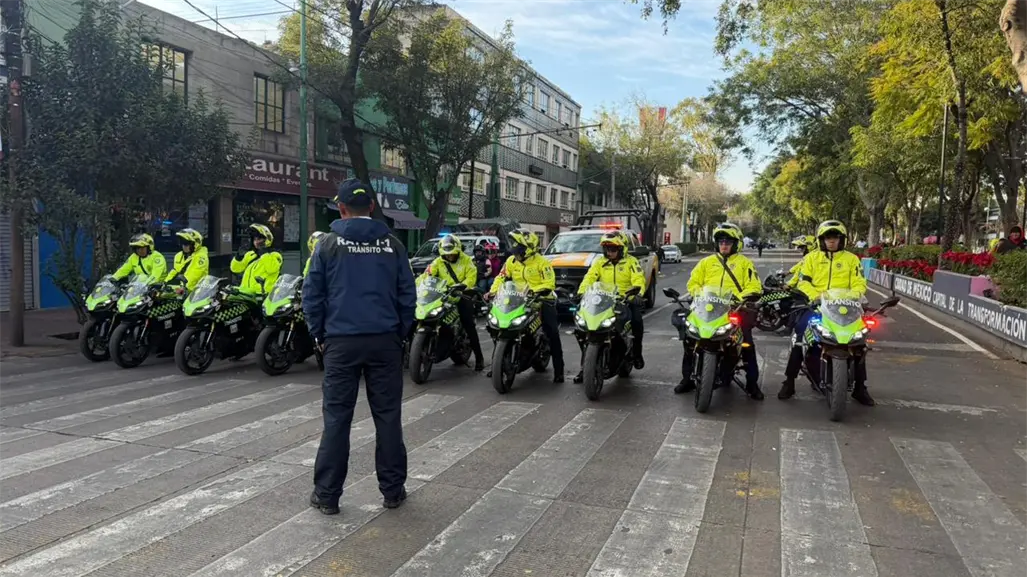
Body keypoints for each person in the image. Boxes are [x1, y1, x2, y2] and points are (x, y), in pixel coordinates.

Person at [303, 179, 415, 516]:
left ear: (340, 208)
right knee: (388, 417)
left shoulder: (326, 246)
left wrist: (319, 335)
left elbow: (312, 296)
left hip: (340, 342)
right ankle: (393, 491)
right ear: (371, 207)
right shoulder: (393, 246)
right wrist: (399, 334)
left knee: (337, 419)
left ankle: (327, 496)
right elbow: (407, 296)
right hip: (384, 341)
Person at [777, 219, 873, 405]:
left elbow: (859, 283)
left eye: (835, 237)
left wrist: (853, 296)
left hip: (845, 308)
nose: (831, 240)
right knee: (799, 336)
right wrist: (816, 296)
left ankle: (860, 388)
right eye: (828, 237)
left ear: (841, 239)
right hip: (817, 306)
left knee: (860, 343)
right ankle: (789, 381)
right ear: (821, 239)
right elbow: (804, 281)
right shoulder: (812, 258)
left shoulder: (851, 259)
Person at [674, 222, 765, 400]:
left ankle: (752, 384)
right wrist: (697, 294)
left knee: (746, 343)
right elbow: (693, 283)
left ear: (736, 243)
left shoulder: (744, 264)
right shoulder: (706, 263)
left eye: (728, 241)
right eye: (721, 241)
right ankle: (687, 379)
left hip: (733, 310)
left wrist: (740, 298)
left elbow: (754, 286)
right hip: (706, 309)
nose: (724, 244)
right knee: (689, 341)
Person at [487, 229, 565, 383]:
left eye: (519, 251)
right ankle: (497, 363)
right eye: (514, 250)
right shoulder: (511, 261)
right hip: (516, 300)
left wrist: (535, 291)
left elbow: (549, 283)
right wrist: (492, 292)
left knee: (552, 333)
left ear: (528, 250)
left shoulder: (542, 263)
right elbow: (501, 278)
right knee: (497, 327)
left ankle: (559, 370)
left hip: (541, 300)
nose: (515, 254)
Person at [572, 231, 646, 383]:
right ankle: (585, 367)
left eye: (613, 249)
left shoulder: (631, 262)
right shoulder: (599, 262)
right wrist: (580, 293)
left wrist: (637, 293)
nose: (609, 252)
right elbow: (590, 278)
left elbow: (639, 279)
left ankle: (636, 354)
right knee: (583, 329)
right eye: (607, 249)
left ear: (621, 249)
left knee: (637, 322)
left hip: (625, 300)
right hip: (602, 300)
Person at [418, 234, 486, 371]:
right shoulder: (437, 262)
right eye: (446, 255)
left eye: (452, 255)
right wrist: (418, 285)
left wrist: (462, 287)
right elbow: (426, 276)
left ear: (458, 251)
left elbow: (471, 278)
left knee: (468, 324)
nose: (449, 257)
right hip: (440, 296)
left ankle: (479, 357)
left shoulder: (467, 261)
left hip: (460, 295)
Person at [231, 223, 283, 295]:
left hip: (262, 295)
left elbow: (272, 269)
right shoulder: (251, 254)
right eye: (254, 239)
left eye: (259, 239)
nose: (256, 241)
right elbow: (235, 269)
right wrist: (238, 257)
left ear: (266, 239)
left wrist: (263, 252)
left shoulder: (275, 255)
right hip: (246, 294)